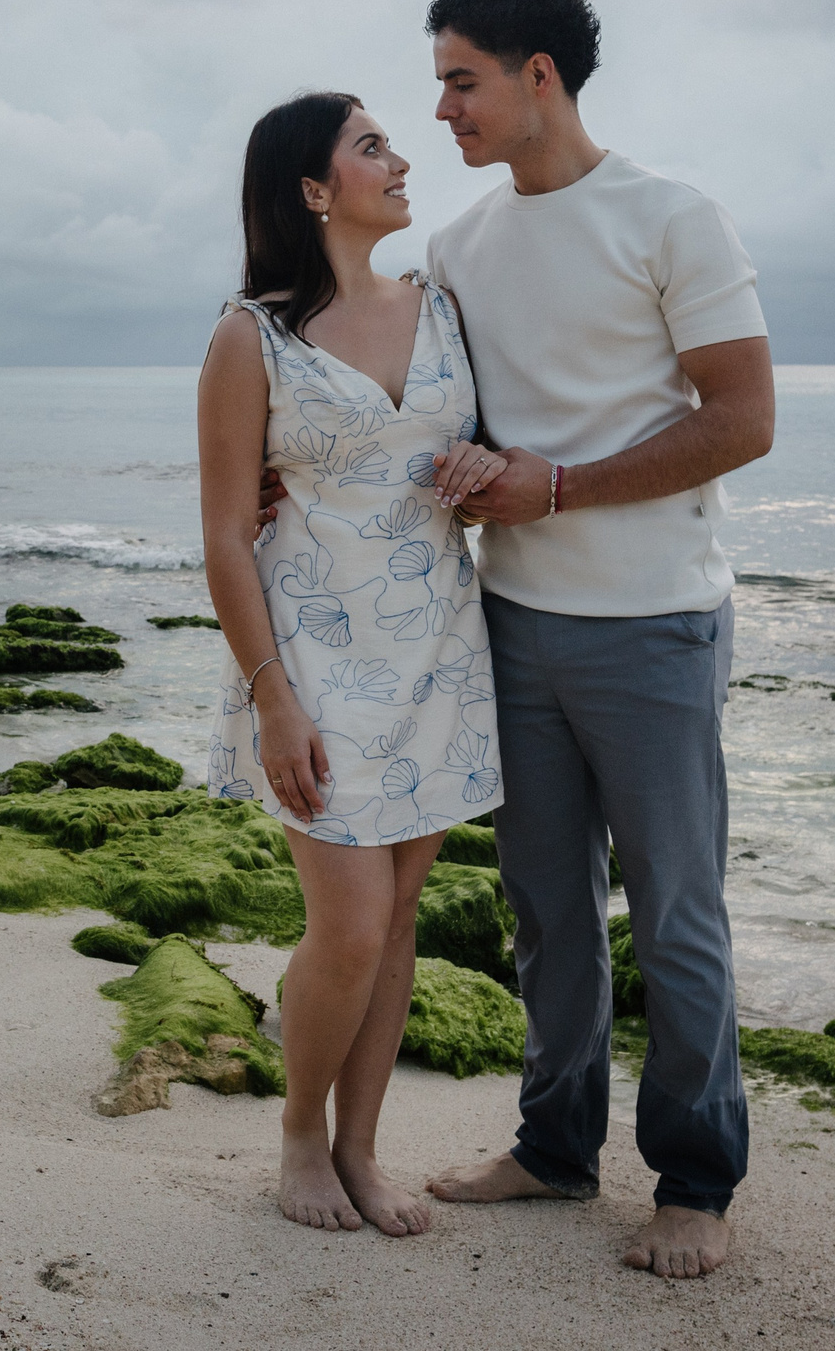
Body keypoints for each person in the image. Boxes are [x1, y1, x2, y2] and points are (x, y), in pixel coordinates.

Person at [415, 0, 775, 1280]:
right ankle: (557, 1147)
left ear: (538, 77)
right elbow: (455, 428)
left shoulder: (672, 218)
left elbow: (741, 422)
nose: (443, 111)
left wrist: (554, 484)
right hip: (510, 622)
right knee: (546, 909)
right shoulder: (458, 249)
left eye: (461, 80)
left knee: (676, 909)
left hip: (656, 625)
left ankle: (696, 1177)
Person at [196, 90, 511, 1237]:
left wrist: (485, 463)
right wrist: (273, 700)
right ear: (314, 189)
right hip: (313, 658)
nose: (400, 158)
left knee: (403, 911)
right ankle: (296, 1136)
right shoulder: (252, 334)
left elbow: (491, 441)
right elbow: (227, 530)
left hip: (438, 644)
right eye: (371, 145)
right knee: (350, 923)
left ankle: (362, 1148)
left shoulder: (442, 309)